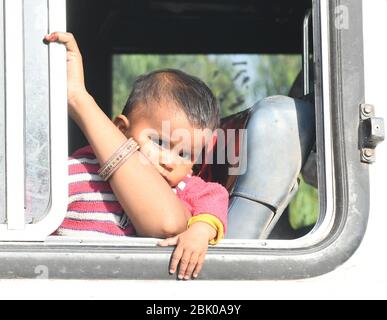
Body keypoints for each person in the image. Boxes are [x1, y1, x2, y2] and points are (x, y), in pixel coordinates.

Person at [44, 32, 229, 280]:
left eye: (185, 153)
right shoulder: (79, 172)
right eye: (159, 142)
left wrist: (201, 230)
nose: (169, 160)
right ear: (121, 130)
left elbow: (216, 198)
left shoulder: (186, 187)